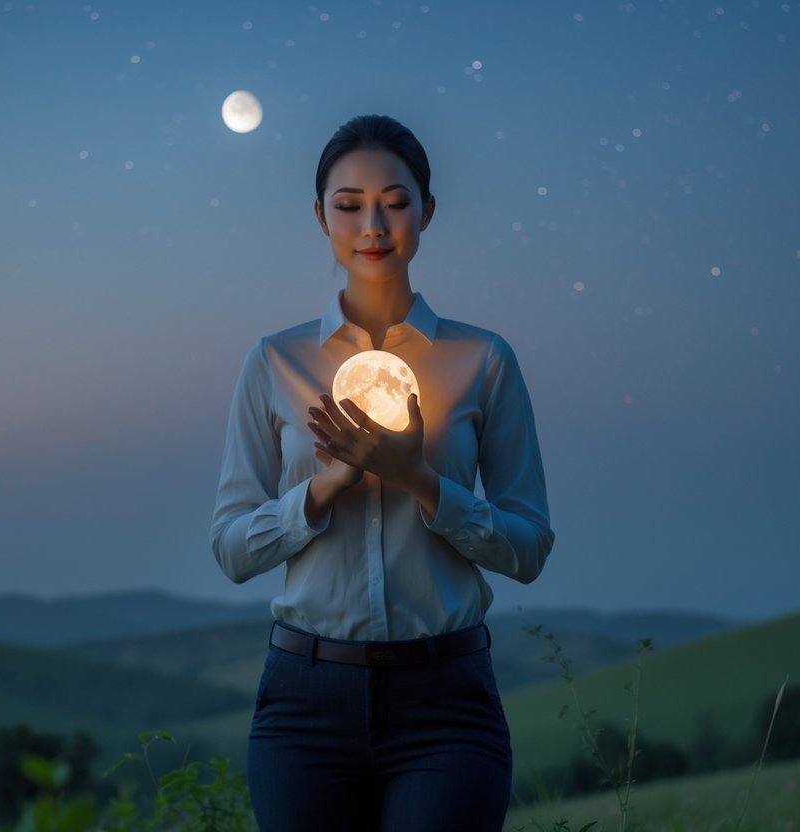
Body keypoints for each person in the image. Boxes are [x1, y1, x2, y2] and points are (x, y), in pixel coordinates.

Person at [210, 114, 554, 832]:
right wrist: (324, 488)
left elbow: (527, 548)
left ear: (427, 210)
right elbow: (232, 551)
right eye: (348, 204)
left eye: (395, 201)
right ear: (319, 217)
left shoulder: (481, 360)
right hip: (305, 701)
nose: (373, 223)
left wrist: (419, 480)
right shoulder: (276, 363)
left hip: (445, 699)